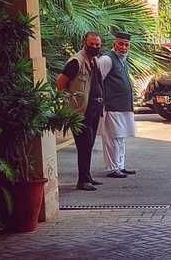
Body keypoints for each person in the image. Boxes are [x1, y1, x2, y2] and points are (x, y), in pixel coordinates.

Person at [56, 32, 105, 191]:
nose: (95, 47)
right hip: (80, 112)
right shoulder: (76, 61)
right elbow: (61, 83)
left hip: (94, 110)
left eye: (97, 45)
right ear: (84, 43)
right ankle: (82, 180)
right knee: (83, 145)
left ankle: (87, 176)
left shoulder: (94, 61)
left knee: (89, 144)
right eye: (92, 44)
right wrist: (68, 103)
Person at [98, 32, 136, 179]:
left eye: (126, 45)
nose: (123, 47)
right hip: (111, 106)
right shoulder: (107, 59)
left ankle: (120, 166)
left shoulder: (122, 60)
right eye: (121, 44)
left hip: (123, 107)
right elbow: (97, 81)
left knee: (120, 138)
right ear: (114, 44)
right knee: (111, 138)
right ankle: (112, 168)